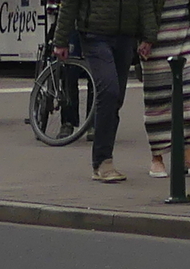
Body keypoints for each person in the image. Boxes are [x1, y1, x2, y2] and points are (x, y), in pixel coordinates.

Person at [53, 0, 159, 180]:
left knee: (116, 98)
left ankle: (104, 158)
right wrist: (61, 40)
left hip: (126, 35)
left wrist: (148, 36)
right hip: (95, 34)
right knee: (109, 91)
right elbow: (70, 3)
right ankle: (103, 162)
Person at [142, 0, 190, 174]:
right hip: (154, 39)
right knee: (158, 99)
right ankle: (157, 157)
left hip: (184, 35)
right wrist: (145, 37)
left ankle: (187, 156)